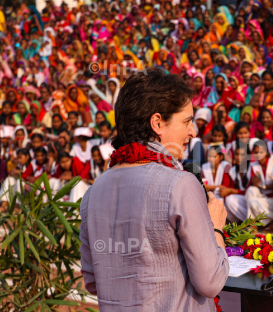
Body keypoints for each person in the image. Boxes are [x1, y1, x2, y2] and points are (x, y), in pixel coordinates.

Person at [79, 68, 229, 310]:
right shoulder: (180, 184)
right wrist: (216, 229)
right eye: (187, 121)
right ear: (157, 123)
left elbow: (94, 281)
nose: (193, 132)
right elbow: (210, 282)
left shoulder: (93, 192)